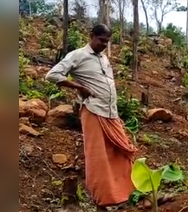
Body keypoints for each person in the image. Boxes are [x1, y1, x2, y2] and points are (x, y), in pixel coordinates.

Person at [45, 24, 137, 211]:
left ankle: (126, 195)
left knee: (122, 151)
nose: (104, 44)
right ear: (91, 36)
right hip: (93, 111)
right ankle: (102, 202)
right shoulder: (78, 55)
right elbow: (52, 75)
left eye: (107, 41)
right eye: (101, 40)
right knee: (98, 157)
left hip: (111, 113)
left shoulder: (103, 58)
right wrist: (79, 87)